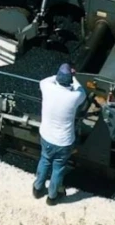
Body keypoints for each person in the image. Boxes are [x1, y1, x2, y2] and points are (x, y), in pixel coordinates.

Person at [32, 63, 86, 206]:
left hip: (46, 136)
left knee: (44, 160)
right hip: (64, 142)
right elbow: (83, 91)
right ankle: (52, 197)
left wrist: (63, 73)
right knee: (58, 168)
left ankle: (37, 189)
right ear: (70, 80)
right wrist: (73, 77)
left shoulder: (47, 87)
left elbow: (45, 80)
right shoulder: (75, 96)